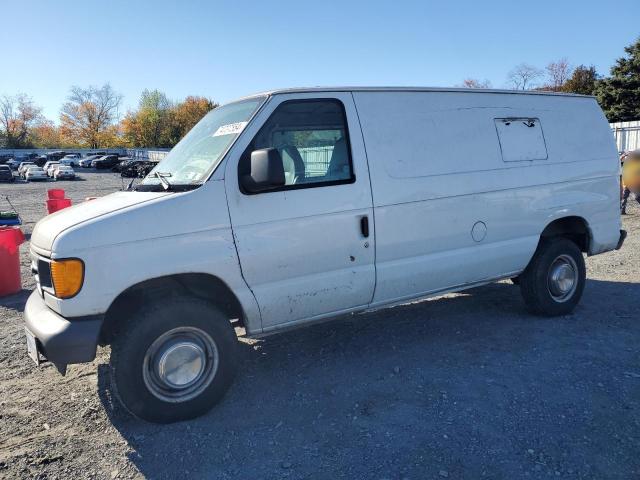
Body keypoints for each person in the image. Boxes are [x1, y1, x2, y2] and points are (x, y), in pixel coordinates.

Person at [621, 150, 640, 215]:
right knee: (624, 196)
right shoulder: (627, 162)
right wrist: (623, 156)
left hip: (635, 184)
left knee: (637, 197)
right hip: (626, 182)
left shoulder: (637, 164)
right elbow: (619, 162)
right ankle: (622, 210)